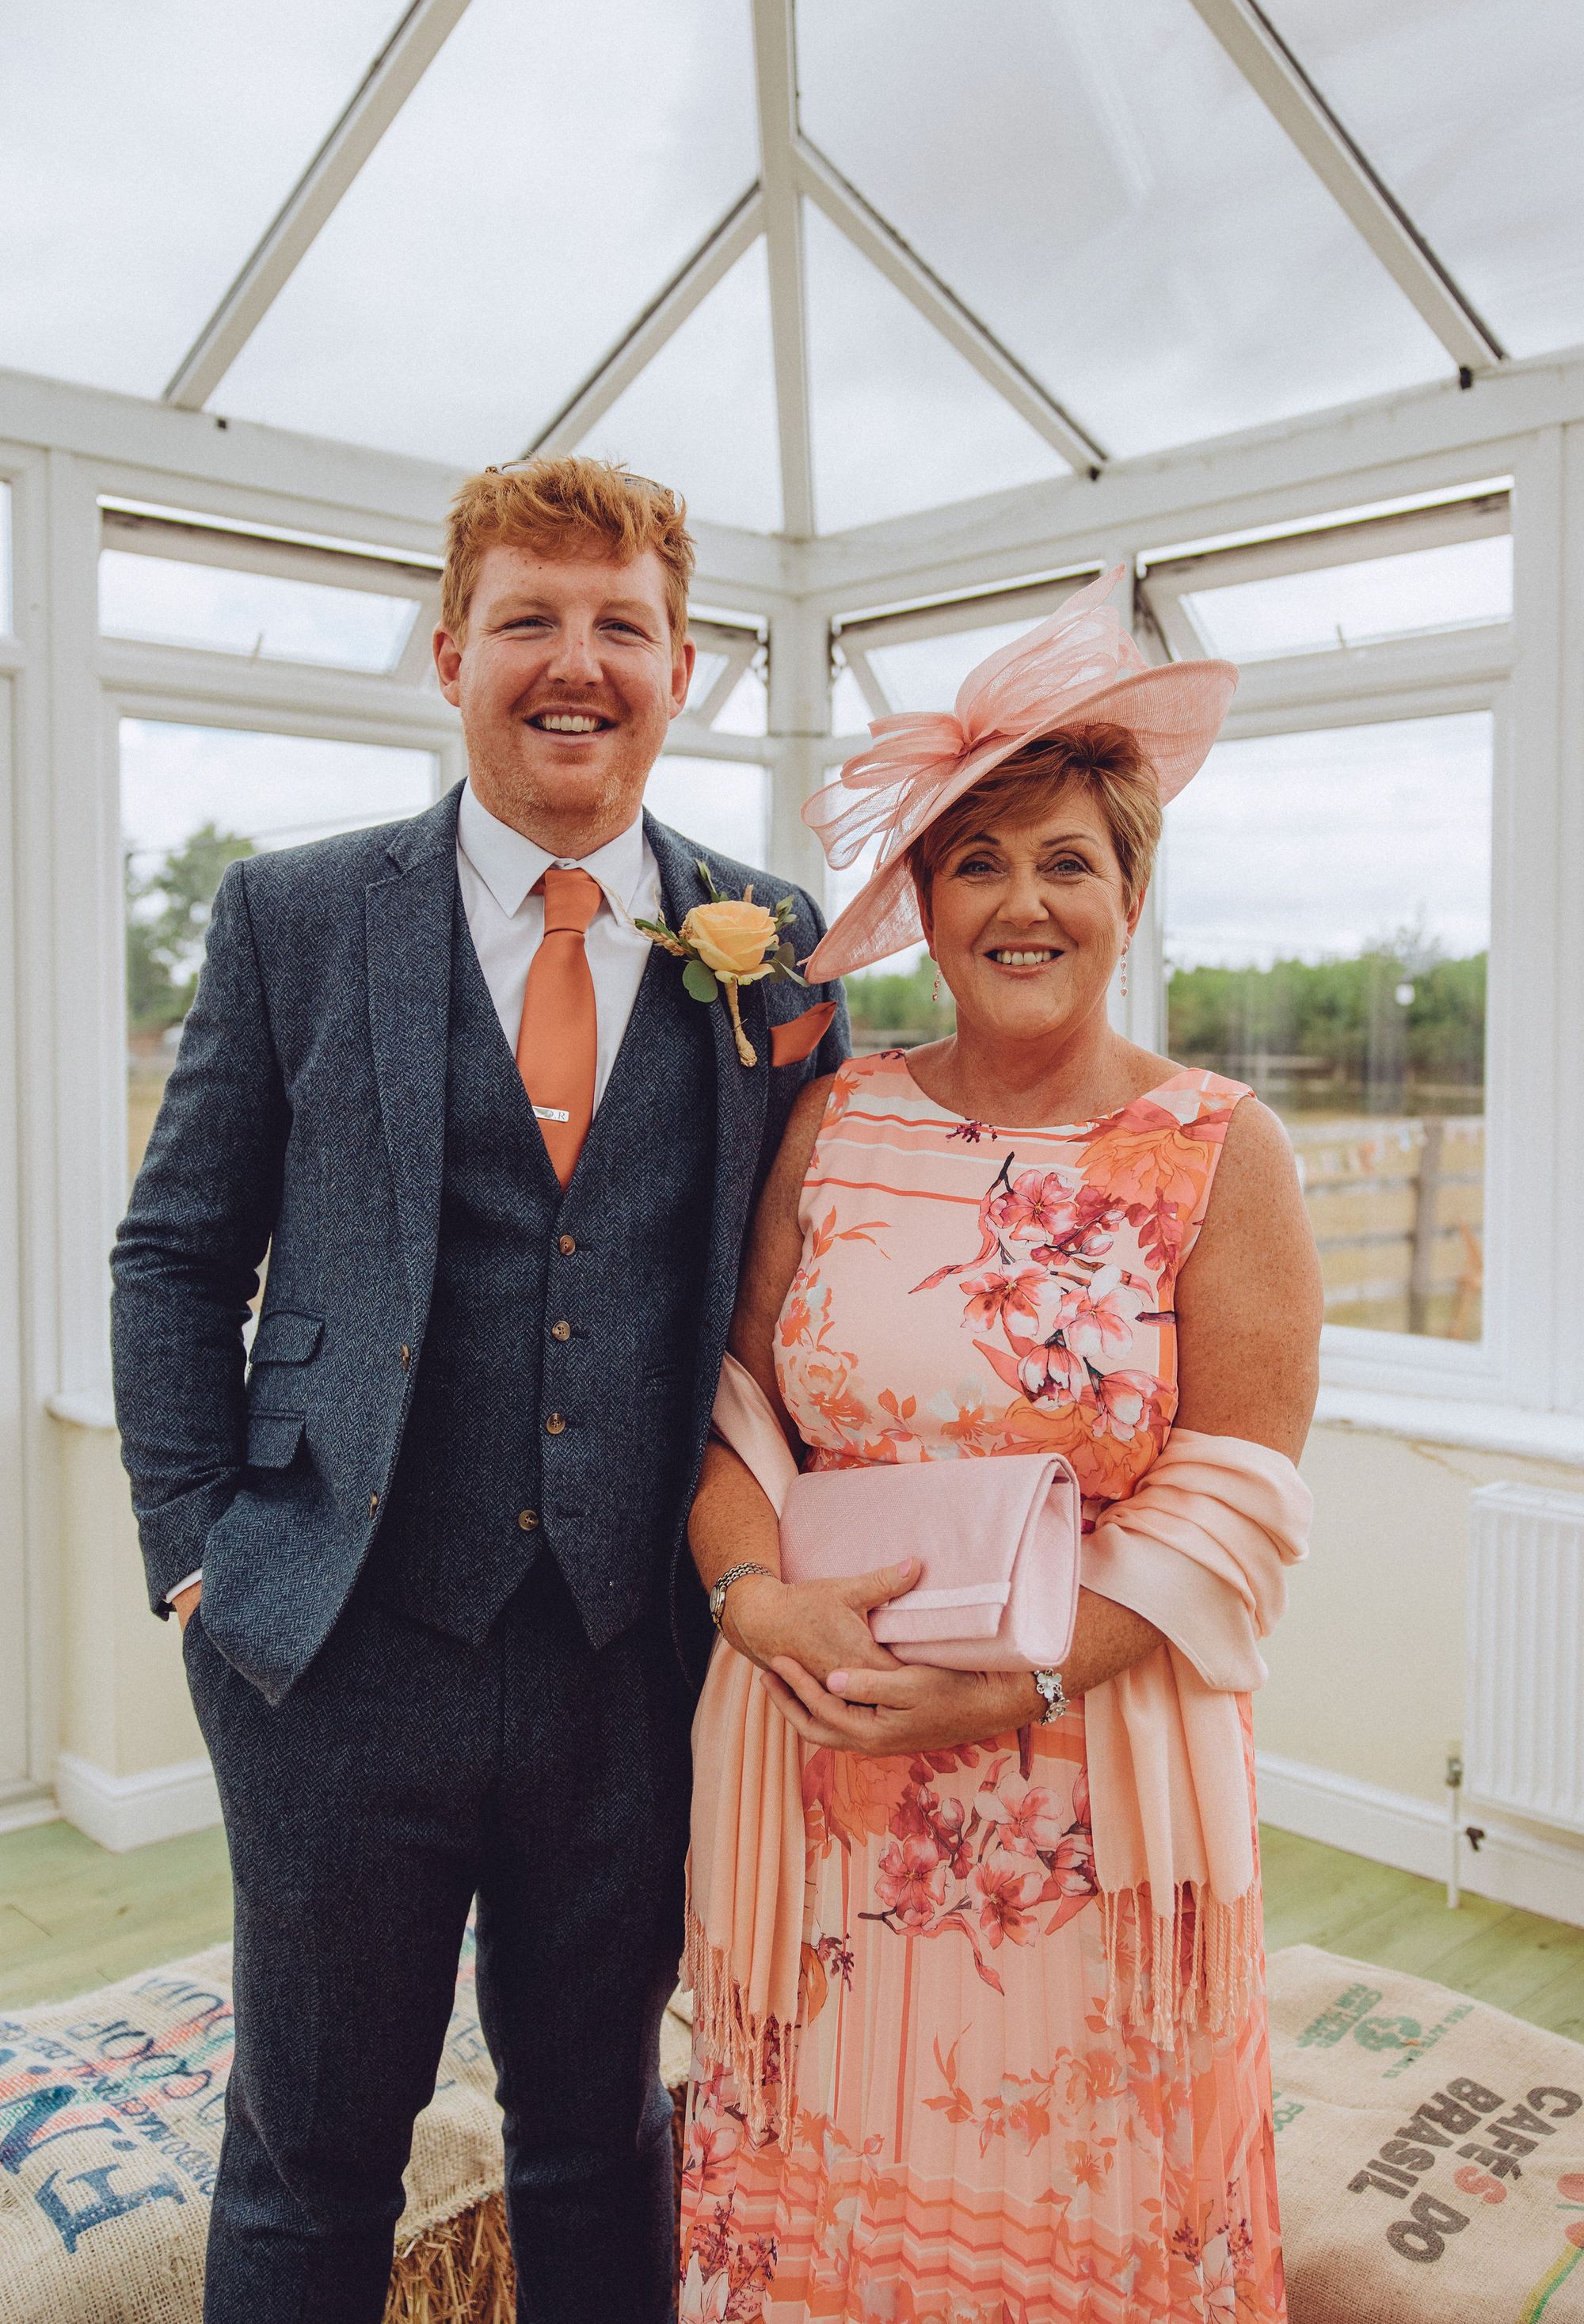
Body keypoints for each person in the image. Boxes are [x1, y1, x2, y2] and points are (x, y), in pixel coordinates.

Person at [109, 456, 848, 2324]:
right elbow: (178, 1254)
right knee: (310, 2157)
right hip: (332, 1652)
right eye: (529, 618)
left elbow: (810, 1279)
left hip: (630, 1663)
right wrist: (199, 1560)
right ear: (453, 652)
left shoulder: (777, 943)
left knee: (602, 2134)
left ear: (688, 670)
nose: (573, 663)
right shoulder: (293, 916)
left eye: (622, 627)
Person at [678, 570, 1323, 2322]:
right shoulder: (838, 1119)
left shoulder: (1215, 1148)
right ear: (928, 904)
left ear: (1127, 896)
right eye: (978, 862)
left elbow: (1240, 1490)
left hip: (1087, 1791)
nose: (1022, 904)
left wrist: (1020, 1686)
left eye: (1066, 862)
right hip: (823, 1766)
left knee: (1079, 2214)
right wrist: (749, 1601)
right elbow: (732, 1404)